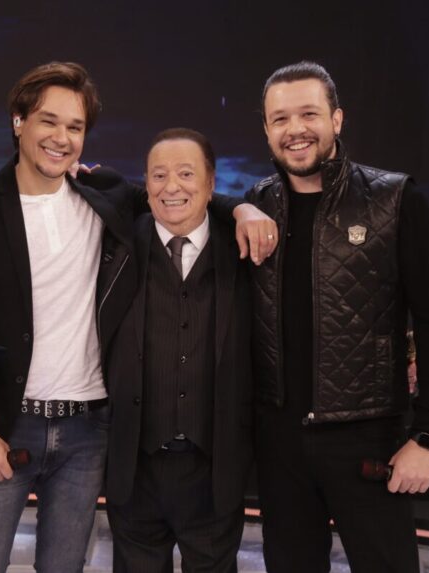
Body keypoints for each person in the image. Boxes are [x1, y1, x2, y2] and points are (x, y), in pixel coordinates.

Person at [0, 62, 272, 573]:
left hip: (88, 430)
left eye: (75, 127)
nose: (62, 137)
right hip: (7, 426)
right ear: (17, 122)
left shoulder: (103, 196)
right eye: (49, 121)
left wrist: (242, 210)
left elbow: (179, 198)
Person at [243, 61, 429, 572]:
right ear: (267, 129)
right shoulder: (254, 204)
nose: (295, 130)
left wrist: (427, 436)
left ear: (337, 119)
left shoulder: (395, 199)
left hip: (369, 439)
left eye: (309, 114)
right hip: (278, 444)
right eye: (280, 119)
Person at [104, 128, 254, 572]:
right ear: (145, 185)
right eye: (159, 175)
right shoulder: (117, 244)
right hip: (136, 470)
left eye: (187, 174)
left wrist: (241, 208)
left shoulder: (247, 251)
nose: (172, 187)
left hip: (214, 473)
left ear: (211, 184)